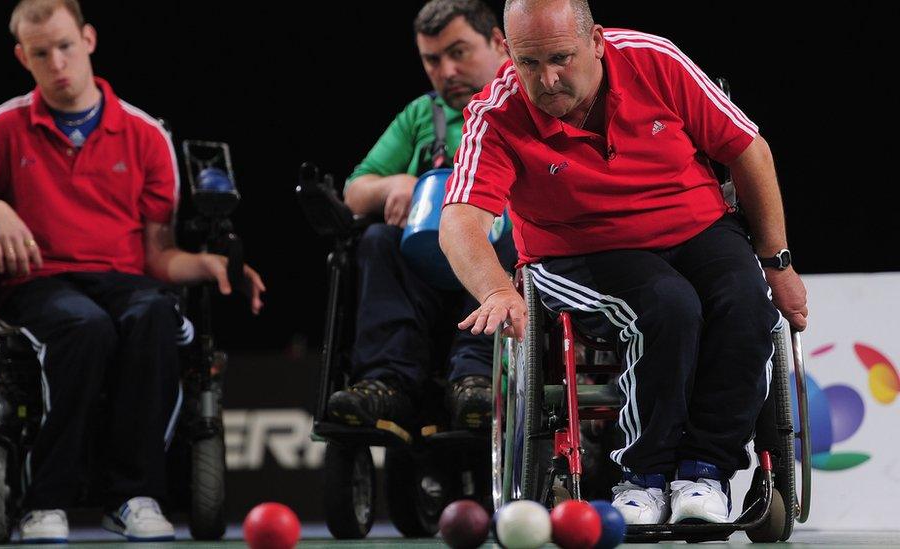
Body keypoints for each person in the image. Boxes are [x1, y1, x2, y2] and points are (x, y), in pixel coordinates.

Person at [438, 0, 808, 525]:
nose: (546, 80)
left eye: (562, 58)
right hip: (577, 250)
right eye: (529, 63)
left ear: (596, 43)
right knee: (668, 307)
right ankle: (645, 477)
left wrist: (778, 263)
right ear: (510, 55)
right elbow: (459, 222)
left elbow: (750, 151)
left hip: (698, 228)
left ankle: (706, 471)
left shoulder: (655, 61)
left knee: (747, 302)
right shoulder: (496, 112)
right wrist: (497, 290)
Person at [0, 0, 265, 542]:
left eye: (65, 46)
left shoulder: (145, 133)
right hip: (37, 283)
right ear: (23, 57)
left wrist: (208, 264)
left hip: (125, 280)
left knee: (156, 315)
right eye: (41, 53)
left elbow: (158, 255)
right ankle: (45, 502)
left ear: (88, 39)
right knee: (84, 327)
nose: (57, 63)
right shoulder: (0, 128)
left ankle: (133, 495)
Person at [326, 0, 511, 434]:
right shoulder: (421, 115)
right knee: (375, 239)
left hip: (503, 265)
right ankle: (388, 381)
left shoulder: (528, 103)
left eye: (459, 52)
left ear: (499, 44)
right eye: (432, 59)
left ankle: (477, 375)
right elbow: (354, 192)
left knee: (508, 229)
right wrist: (396, 185)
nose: (446, 71)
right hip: (425, 273)